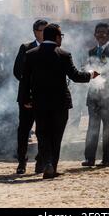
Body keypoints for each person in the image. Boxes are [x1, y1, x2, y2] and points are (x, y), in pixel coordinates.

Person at [22, 23, 99, 179]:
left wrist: (25, 98)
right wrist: (90, 74)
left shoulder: (31, 54)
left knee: (42, 134)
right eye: (61, 36)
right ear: (57, 37)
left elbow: (25, 81)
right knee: (56, 135)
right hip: (60, 103)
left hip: (40, 102)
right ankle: (52, 165)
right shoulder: (64, 54)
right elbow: (76, 76)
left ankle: (47, 163)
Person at [82, 23, 109, 167]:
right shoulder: (91, 51)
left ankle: (108, 159)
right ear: (94, 35)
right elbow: (90, 69)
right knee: (92, 128)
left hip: (108, 96)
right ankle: (89, 158)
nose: (101, 35)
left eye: (104, 32)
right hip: (93, 95)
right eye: (98, 32)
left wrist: (97, 74)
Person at [13, 19, 48, 174]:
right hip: (27, 97)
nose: (45, 33)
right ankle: (22, 161)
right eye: (42, 30)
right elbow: (17, 71)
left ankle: (40, 162)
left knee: (43, 131)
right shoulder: (26, 47)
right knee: (24, 130)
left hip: (44, 98)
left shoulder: (52, 48)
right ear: (35, 31)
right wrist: (29, 90)